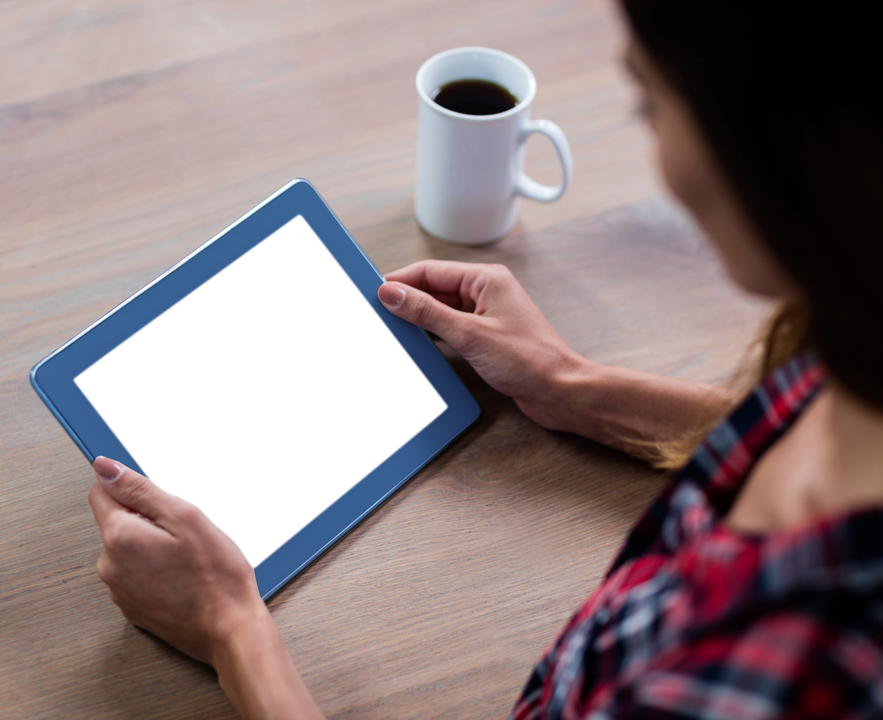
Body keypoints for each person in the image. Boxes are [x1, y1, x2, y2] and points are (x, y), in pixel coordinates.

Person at [86, 1, 883, 717]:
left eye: (650, 101)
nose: (661, 160)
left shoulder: (768, 676)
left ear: (792, 147)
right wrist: (571, 385)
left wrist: (233, 632)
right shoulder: (856, 342)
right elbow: (798, 417)